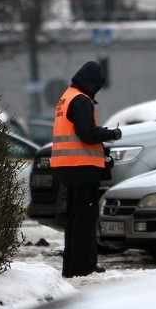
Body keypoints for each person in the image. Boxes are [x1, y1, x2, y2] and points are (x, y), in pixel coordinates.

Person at [51, 61, 121, 278]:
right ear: (92, 82)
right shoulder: (81, 101)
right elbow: (87, 134)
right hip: (82, 168)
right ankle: (84, 267)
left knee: (74, 217)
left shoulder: (67, 96)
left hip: (67, 167)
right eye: (97, 85)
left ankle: (71, 267)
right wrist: (111, 134)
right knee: (86, 218)